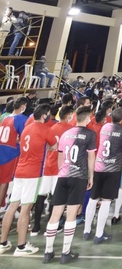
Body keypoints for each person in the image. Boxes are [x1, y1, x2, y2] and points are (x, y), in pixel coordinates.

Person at [0, 104, 56, 256]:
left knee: (12, 206)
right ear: (44, 115)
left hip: (20, 171)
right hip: (33, 173)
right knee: (25, 209)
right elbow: (54, 146)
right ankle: (21, 246)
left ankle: (3, 243)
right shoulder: (45, 129)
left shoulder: (27, 128)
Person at [42, 106, 96, 264]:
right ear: (87, 118)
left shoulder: (66, 133)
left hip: (63, 175)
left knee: (55, 214)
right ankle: (65, 252)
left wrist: (61, 171)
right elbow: (91, 157)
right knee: (71, 215)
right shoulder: (89, 134)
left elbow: (60, 155)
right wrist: (90, 176)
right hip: (78, 176)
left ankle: (48, 251)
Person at [83, 108, 122, 244]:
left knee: (93, 199)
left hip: (99, 166)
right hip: (113, 169)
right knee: (106, 201)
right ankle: (99, 234)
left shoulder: (105, 127)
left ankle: (87, 230)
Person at [31, 106, 74, 236]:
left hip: (47, 165)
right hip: (60, 167)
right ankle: (52, 224)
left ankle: (36, 226)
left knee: (41, 195)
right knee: (56, 198)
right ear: (68, 116)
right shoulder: (70, 130)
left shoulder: (51, 128)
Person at [0, 98, 28, 212]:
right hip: (12, 154)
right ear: (22, 106)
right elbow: (25, 137)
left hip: (2, 150)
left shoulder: (5, 118)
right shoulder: (21, 119)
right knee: (6, 183)